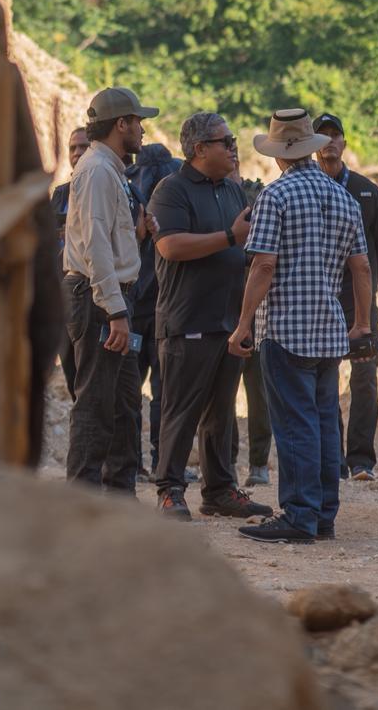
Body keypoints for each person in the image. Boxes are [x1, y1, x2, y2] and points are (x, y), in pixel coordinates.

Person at [229, 109, 373, 544]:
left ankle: (299, 514)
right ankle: (324, 513)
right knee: (326, 421)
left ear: (279, 155)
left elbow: (264, 265)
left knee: (294, 423)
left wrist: (242, 325)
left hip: (286, 328)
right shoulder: (343, 197)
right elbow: (362, 267)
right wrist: (362, 322)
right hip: (329, 329)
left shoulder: (275, 196)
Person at [149, 113, 272, 520]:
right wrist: (229, 238)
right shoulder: (172, 190)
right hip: (188, 321)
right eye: (226, 141)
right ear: (200, 149)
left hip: (230, 323)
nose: (234, 148)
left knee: (222, 413)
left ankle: (219, 490)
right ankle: (170, 489)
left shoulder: (233, 192)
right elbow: (170, 247)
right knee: (181, 411)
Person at [62, 87, 158, 493]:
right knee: (97, 404)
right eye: (137, 121)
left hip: (112, 297)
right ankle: (81, 505)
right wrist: (116, 312)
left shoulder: (110, 170)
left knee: (123, 405)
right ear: (121, 124)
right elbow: (95, 246)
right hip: (101, 300)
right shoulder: (98, 171)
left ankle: (119, 502)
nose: (142, 130)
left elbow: (108, 242)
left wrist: (135, 238)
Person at [314, 113, 378, 481]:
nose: (330, 142)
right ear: (311, 145)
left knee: (364, 379)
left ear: (345, 144)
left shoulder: (368, 192)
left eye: (336, 135)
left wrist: (367, 287)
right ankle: (332, 459)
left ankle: (361, 460)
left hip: (360, 302)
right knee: (324, 380)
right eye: (322, 136)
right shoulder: (303, 189)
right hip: (317, 302)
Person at [125, 143, 180, 475]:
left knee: (131, 390)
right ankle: (161, 460)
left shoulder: (130, 195)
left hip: (133, 306)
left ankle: (135, 462)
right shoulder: (173, 196)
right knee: (163, 390)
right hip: (165, 309)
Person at [227, 150, 273, 487]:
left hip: (256, 308)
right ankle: (225, 462)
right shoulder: (204, 194)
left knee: (259, 393)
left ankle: (258, 463)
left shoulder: (257, 194)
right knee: (221, 393)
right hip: (220, 305)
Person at [51, 129, 91, 397]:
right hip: (62, 293)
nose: (77, 154)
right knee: (71, 373)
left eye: (83, 147)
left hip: (90, 293)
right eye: (72, 148)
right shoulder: (61, 193)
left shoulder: (101, 186)